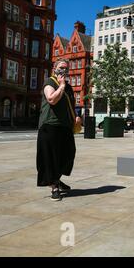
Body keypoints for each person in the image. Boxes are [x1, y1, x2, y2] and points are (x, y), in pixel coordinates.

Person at [36, 60, 82, 201]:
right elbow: (51, 99)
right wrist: (61, 85)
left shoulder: (68, 87)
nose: (64, 71)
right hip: (50, 125)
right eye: (61, 68)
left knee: (68, 154)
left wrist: (76, 117)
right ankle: (54, 187)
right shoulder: (49, 82)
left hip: (65, 126)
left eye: (66, 69)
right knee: (51, 158)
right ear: (54, 69)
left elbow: (70, 105)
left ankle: (57, 178)